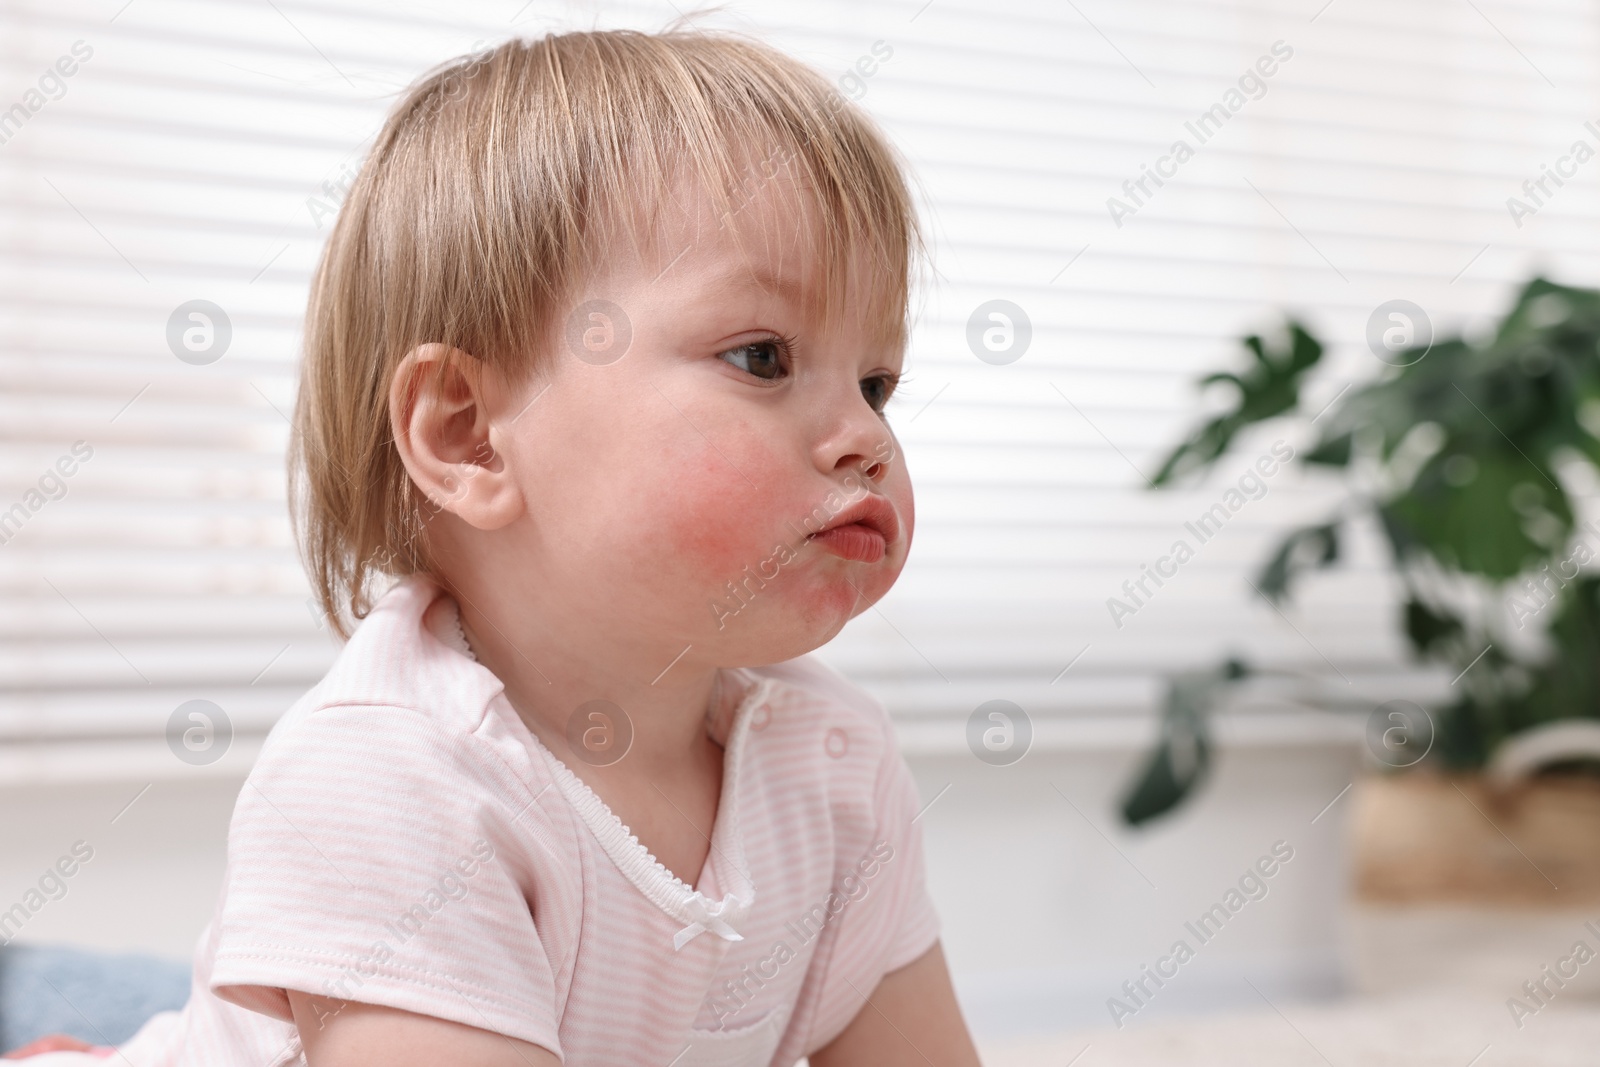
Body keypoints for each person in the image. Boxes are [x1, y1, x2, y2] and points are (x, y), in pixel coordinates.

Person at [7, 26, 981, 1066]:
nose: (866, 438)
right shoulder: (388, 775)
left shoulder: (835, 764)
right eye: (761, 356)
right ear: (468, 434)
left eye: (877, 383)